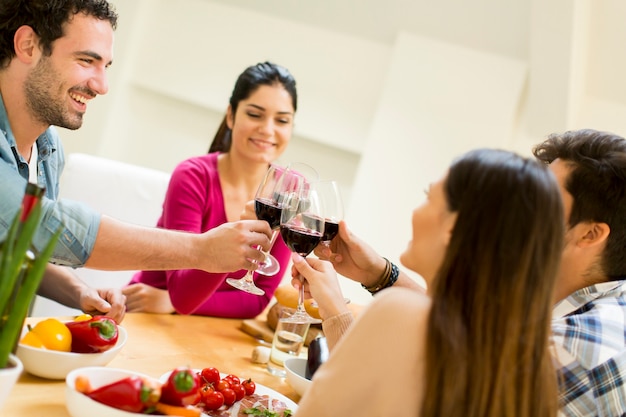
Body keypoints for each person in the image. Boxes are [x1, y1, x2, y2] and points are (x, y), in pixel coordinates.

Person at [306, 129, 626, 416]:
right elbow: (457, 345)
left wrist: (336, 310)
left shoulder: (572, 349)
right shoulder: (540, 318)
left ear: (590, 234)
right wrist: (381, 276)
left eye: (546, 202)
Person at [0, 0, 272, 323]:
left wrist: (78, 292)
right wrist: (202, 250)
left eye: (106, 67)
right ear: (28, 46)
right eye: (87, 61)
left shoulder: (49, 151)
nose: (101, 86)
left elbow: (19, 248)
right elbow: (49, 224)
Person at [123, 62, 296, 317]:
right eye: (255, 114)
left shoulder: (289, 190)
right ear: (231, 115)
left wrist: (169, 304)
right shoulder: (193, 176)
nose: (268, 129)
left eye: (282, 120)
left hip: (198, 325)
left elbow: (257, 301)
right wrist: (175, 303)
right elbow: (182, 293)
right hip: (146, 314)